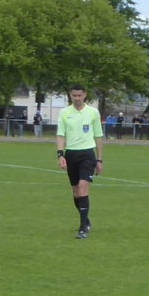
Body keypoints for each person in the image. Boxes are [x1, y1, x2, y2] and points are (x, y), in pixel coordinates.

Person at [55, 84, 104, 239]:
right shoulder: (64, 113)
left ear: (85, 95)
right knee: (76, 191)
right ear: (70, 95)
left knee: (83, 187)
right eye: (74, 95)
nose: (77, 98)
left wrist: (99, 159)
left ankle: (83, 228)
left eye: (79, 95)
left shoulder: (93, 112)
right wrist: (60, 155)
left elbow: (98, 135)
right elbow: (60, 135)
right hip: (71, 155)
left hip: (87, 155)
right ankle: (86, 219)